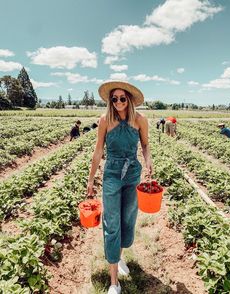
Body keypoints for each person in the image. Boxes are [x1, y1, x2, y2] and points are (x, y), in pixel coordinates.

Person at [87, 81, 153, 294]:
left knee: (127, 219)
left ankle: (119, 255)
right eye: (113, 99)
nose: (117, 102)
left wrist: (148, 160)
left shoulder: (140, 120)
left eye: (122, 98)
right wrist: (90, 180)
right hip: (112, 175)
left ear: (130, 100)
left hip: (132, 173)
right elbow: (98, 152)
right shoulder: (105, 120)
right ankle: (114, 282)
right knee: (112, 223)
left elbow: (145, 144)